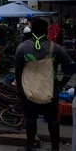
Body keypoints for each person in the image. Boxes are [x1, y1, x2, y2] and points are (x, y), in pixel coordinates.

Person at [15, 17, 75, 151]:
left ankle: (30, 146)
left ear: (32, 30)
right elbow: (71, 65)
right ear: (47, 32)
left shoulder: (23, 47)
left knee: (30, 118)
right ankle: (55, 147)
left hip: (29, 90)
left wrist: (20, 88)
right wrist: (61, 82)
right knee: (53, 120)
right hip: (50, 90)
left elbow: (18, 70)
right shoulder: (56, 48)